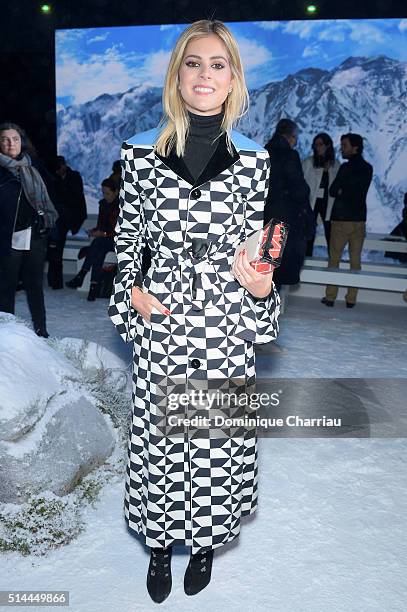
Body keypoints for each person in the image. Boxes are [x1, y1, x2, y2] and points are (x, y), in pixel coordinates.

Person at [108, 20, 280, 604]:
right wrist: (130, 288)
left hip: (225, 318)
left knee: (213, 439)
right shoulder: (138, 152)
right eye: (193, 62)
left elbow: (257, 248)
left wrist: (260, 290)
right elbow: (129, 239)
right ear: (177, 73)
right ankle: (160, 548)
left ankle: (203, 543)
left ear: (233, 78)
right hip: (162, 311)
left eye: (217, 64)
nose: (204, 74)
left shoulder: (256, 159)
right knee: (161, 436)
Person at [0, 122, 58, 337]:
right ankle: (6, 333)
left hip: (34, 235)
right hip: (7, 237)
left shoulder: (34, 167)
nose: (10, 143)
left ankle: (41, 330)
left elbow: (50, 199)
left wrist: (49, 228)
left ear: (21, 141)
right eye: (5, 139)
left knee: (35, 286)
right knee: (7, 287)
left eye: (14, 139)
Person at [264, 119, 315, 301]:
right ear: (290, 137)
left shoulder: (264, 152)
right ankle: (272, 311)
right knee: (279, 270)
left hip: (264, 218)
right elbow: (299, 190)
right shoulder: (289, 156)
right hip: (283, 219)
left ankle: (261, 308)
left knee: (266, 268)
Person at [322, 133, 373, 308]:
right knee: (355, 260)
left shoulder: (345, 168)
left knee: (334, 258)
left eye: (345, 145)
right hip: (359, 220)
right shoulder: (368, 168)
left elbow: (333, 191)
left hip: (341, 219)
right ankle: (351, 299)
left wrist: (343, 189)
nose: (342, 149)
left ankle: (330, 297)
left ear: (355, 147)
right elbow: (354, 192)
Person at [66, 178, 119, 300]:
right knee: (98, 248)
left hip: (118, 240)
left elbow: (119, 230)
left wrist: (103, 233)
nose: (105, 196)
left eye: (107, 193)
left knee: (97, 244)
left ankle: (83, 277)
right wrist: (95, 231)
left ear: (116, 192)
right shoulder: (103, 204)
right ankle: (92, 288)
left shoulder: (122, 206)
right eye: (103, 193)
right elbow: (102, 225)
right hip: (106, 239)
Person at [47, 155, 87, 289]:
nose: (58, 172)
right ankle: (54, 280)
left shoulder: (74, 177)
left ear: (64, 166)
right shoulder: (56, 178)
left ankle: (55, 281)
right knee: (55, 244)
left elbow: (75, 200)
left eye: (59, 169)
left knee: (56, 242)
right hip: (60, 217)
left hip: (71, 217)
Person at [302, 133, 341, 257]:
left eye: (320, 144)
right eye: (316, 144)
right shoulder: (309, 162)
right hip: (311, 203)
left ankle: (333, 262)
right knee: (309, 233)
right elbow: (302, 181)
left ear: (328, 145)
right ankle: (306, 260)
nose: (317, 147)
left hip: (329, 203)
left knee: (331, 233)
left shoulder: (335, 165)